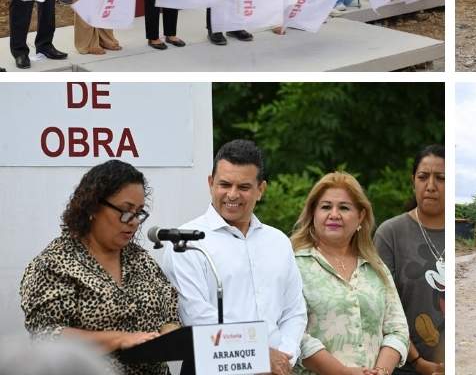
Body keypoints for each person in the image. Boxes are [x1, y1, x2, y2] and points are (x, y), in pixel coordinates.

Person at [19, 160, 179, 375]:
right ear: (93, 207)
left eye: (139, 212)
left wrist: (171, 335)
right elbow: (47, 337)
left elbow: (169, 314)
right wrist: (119, 339)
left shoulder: (140, 259)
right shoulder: (55, 263)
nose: (133, 222)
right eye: (125, 210)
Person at [160, 140, 306, 375]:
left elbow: (294, 311)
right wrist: (259, 356)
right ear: (210, 183)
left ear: (261, 189)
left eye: (244, 187)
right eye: (224, 184)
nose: (232, 194)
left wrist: (284, 358)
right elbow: (196, 317)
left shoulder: (278, 241)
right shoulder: (186, 243)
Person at [291, 172, 409, 375]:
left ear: (361, 216)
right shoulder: (293, 264)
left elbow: (397, 329)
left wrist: (381, 371)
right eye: (326, 207)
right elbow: (292, 334)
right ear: (313, 213)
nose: (334, 214)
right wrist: (343, 372)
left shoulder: (375, 266)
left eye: (344, 208)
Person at [375, 146, 445, 375]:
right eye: (423, 177)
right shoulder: (390, 234)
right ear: (413, 180)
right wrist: (418, 362)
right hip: (405, 366)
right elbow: (381, 307)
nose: (431, 186)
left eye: (441, 178)